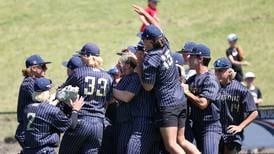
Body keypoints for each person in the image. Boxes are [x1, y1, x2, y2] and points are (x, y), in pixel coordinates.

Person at [139, 24, 199, 154]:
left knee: (171, 145)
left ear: (150, 40)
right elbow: (159, 30)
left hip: (168, 104)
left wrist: (139, 66)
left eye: (144, 39)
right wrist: (146, 16)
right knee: (181, 140)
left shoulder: (150, 59)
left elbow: (148, 87)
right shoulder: (165, 45)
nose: (142, 42)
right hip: (180, 100)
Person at [59, 43, 113, 154]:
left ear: (88, 56)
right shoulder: (107, 77)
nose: (81, 58)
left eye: (82, 55)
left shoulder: (79, 72)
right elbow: (108, 100)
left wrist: (70, 102)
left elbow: (61, 93)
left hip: (81, 121)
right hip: (98, 125)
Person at [23, 77, 84, 154]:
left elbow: (41, 111)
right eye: (49, 90)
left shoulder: (27, 108)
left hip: (28, 151)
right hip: (44, 151)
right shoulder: (51, 110)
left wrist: (55, 102)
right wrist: (75, 110)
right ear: (46, 92)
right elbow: (71, 125)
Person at [181, 44, 221, 154]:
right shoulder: (192, 79)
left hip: (210, 126)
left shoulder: (210, 79)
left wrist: (187, 92)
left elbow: (203, 103)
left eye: (192, 56)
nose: (188, 58)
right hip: (195, 125)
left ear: (200, 59)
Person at [213, 57, 258, 154]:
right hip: (216, 133)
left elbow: (254, 112)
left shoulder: (240, 89)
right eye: (216, 70)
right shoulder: (213, 87)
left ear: (229, 71)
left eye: (220, 70)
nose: (217, 73)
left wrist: (240, 127)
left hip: (233, 135)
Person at [15, 54, 51, 149]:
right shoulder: (30, 83)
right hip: (26, 130)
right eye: (43, 66)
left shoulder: (32, 81)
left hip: (29, 129)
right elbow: (43, 102)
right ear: (34, 68)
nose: (45, 69)